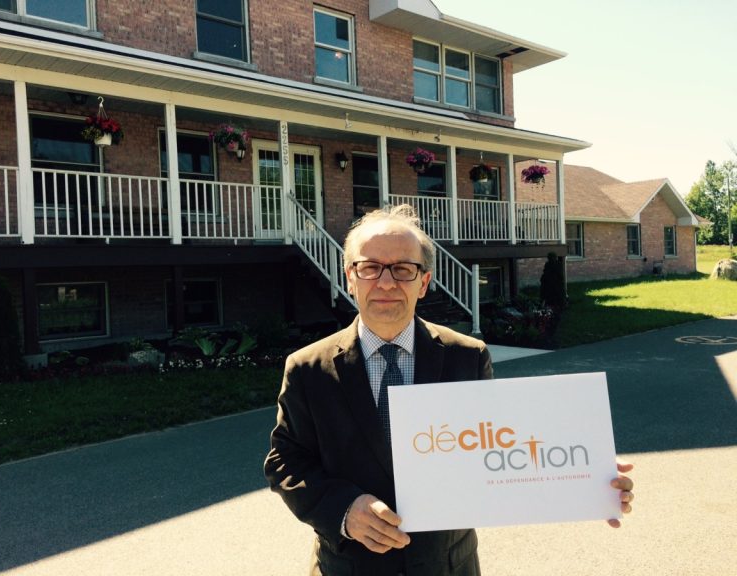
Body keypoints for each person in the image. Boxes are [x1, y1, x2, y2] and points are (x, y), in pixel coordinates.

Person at [264, 205, 634, 575]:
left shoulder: (466, 357)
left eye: (403, 269)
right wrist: (343, 510)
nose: (386, 283)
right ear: (350, 277)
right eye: (370, 267)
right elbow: (285, 461)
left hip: (446, 564)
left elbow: (498, 448)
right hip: (346, 566)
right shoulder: (308, 368)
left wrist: (588, 476)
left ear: (423, 282)